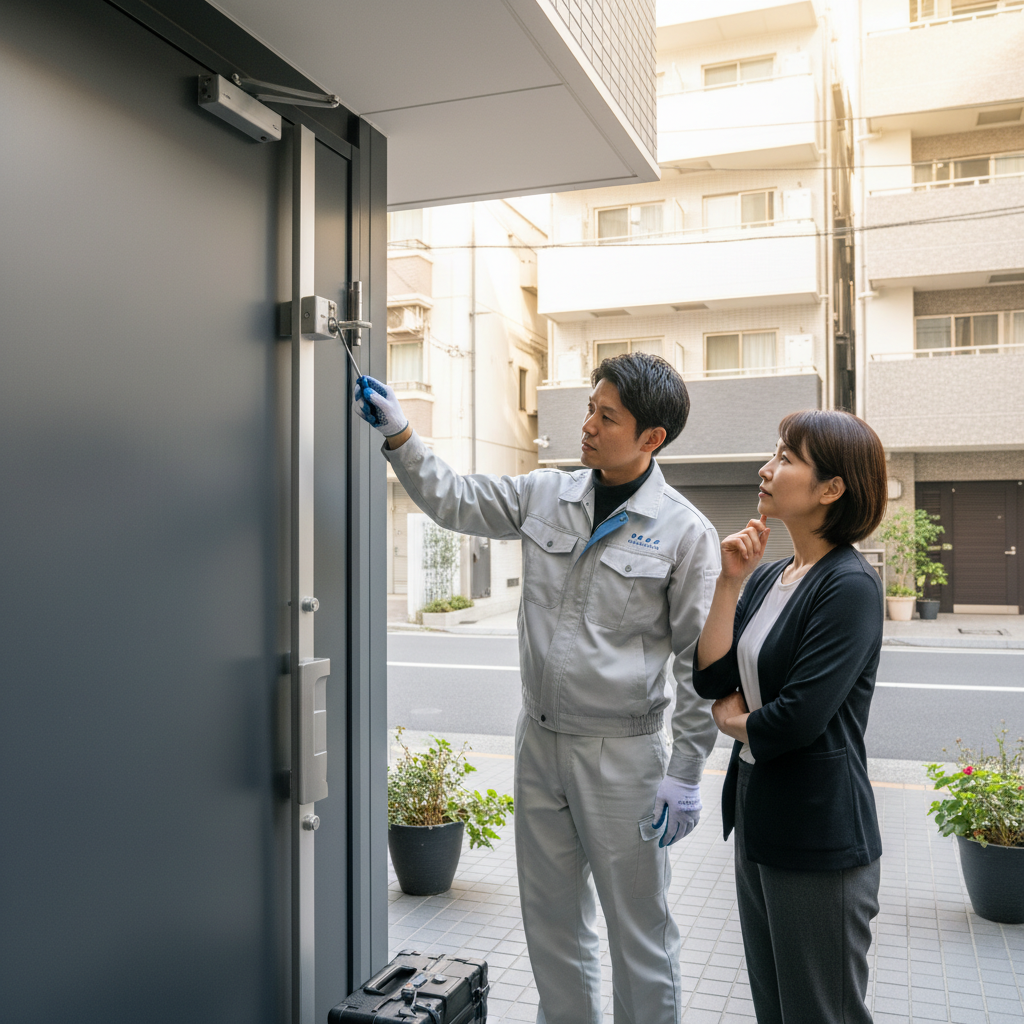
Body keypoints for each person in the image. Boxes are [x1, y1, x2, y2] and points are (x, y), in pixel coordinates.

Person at [355, 353, 720, 1024]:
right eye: (589, 406)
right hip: (541, 742)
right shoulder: (547, 494)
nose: (586, 425)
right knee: (553, 928)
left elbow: (698, 667)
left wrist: (687, 772)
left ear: (651, 439)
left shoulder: (685, 533)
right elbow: (456, 500)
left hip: (624, 757)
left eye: (606, 417)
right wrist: (402, 436)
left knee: (640, 935)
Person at [693, 409, 888, 1024]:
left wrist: (737, 725)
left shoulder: (849, 585)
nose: (766, 467)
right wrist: (729, 583)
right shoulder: (775, 574)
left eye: (785, 457)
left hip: (818, 829)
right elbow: (712, 678)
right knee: (774, 1003)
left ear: (831, 489)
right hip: (759, 811)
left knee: (820, 1010)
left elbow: (798, 717)